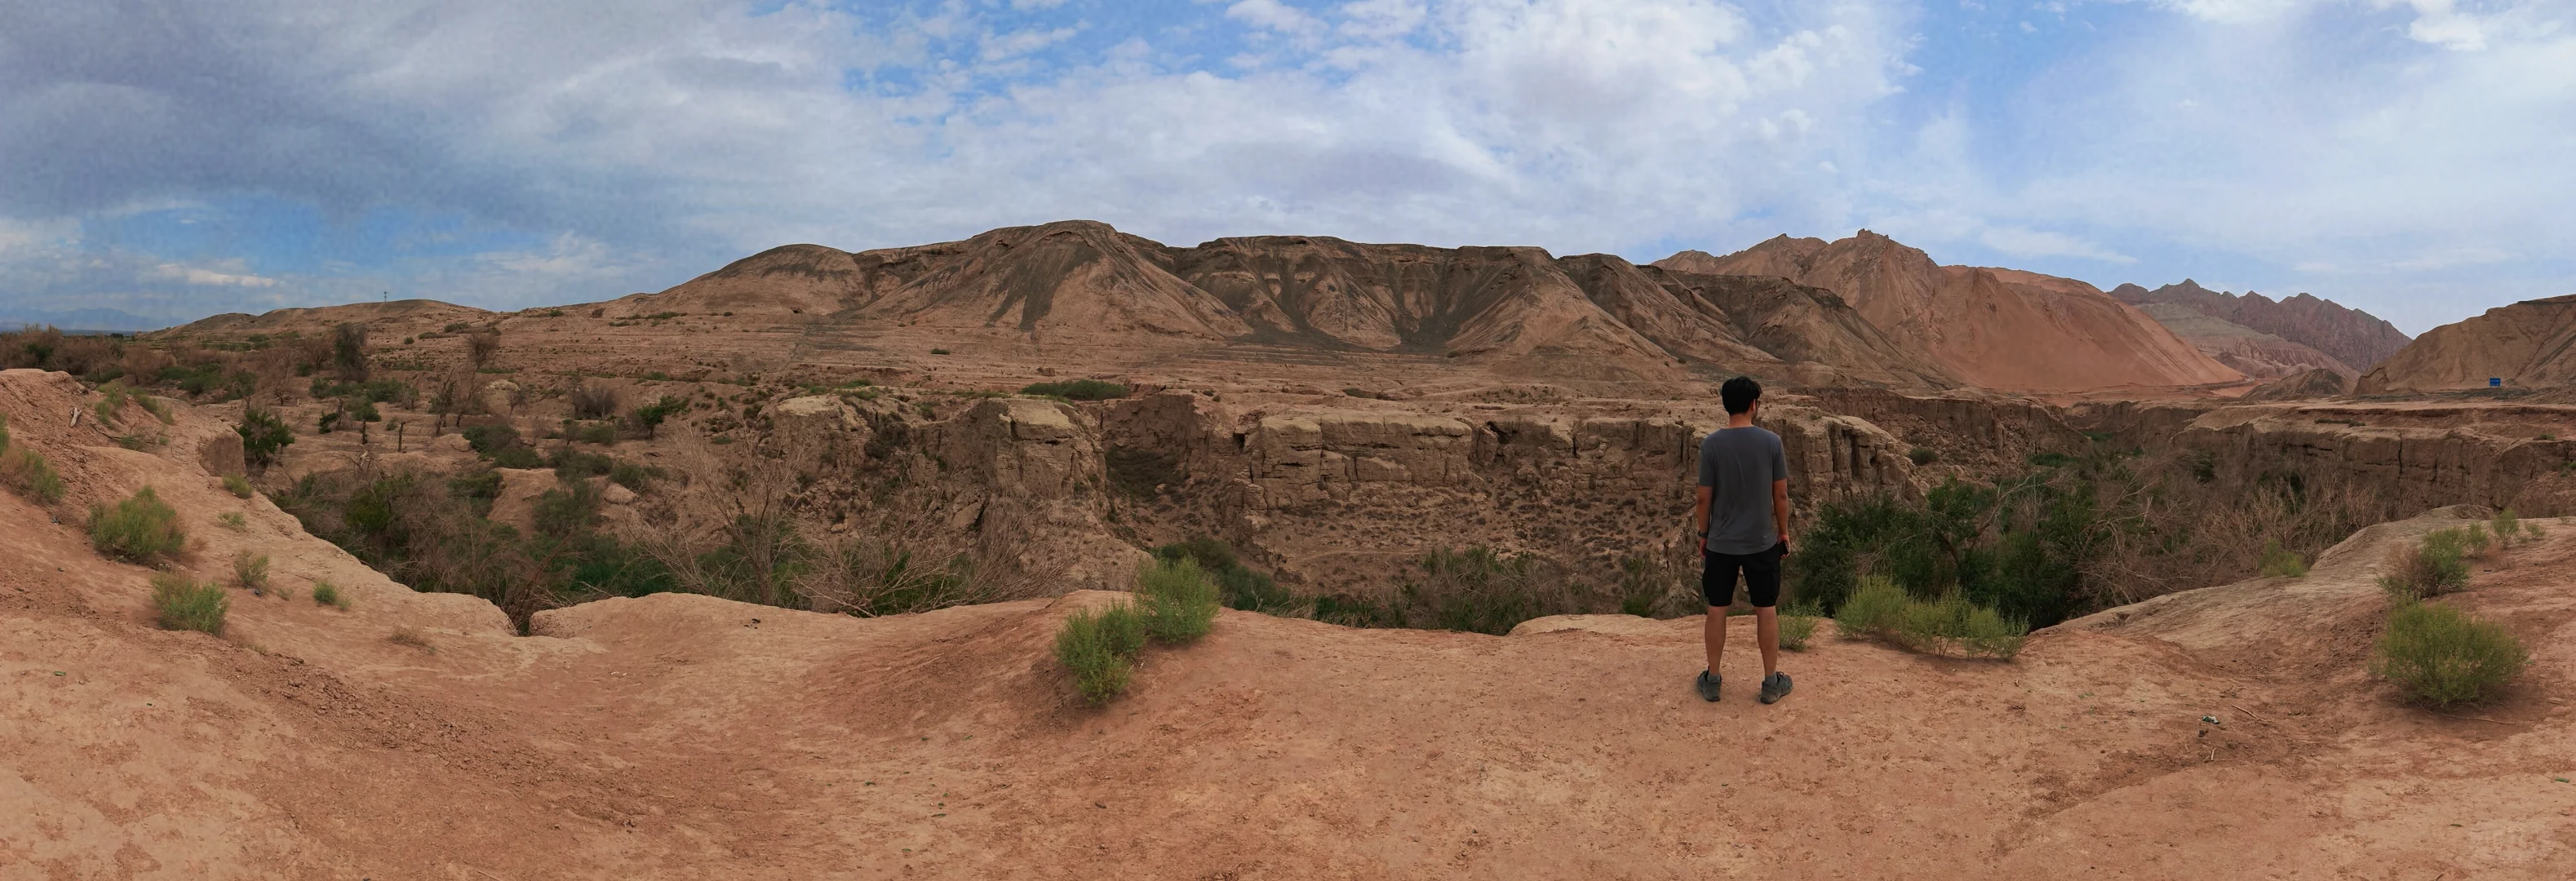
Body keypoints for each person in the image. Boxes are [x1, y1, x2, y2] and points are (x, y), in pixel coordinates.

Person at [1692, 376, 1792, 705]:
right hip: (1761, 543)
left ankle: (1713, 679)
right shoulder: (1772, 442)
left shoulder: (1711, 445)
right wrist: (1783, 532)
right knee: (1766, 609)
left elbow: (1703, 499)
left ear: (1726, 404)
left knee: (1717, 609)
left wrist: (1704, 534)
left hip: (1721, 543)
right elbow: (1780, 495)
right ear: (1753, 404)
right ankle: (1769, 682)